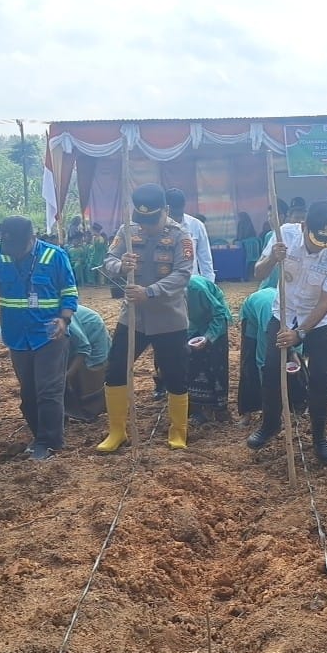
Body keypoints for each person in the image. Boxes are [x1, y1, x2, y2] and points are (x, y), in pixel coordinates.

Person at [0, 216, 77, 460]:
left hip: (49, 333)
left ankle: (49, 442)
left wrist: (64, 319)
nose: (13, 253)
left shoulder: (54, 255)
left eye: (18, 248)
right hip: (17, 335)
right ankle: (40, 434)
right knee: (28, 393)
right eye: (9, 248)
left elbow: (69, 292)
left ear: (32, 239)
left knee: (48, 390)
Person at [97, 183, 194, 452]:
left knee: (175, 375)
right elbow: (108, 260)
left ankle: (178, 432)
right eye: (143, 221)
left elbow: (183, 274)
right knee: (115, 370)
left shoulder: (181, 236)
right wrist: (121, 266)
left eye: (152, 220)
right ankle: (117, 431)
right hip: (133, 318)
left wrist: (149, 292)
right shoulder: (127, 231)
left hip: (169, 319)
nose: (147, 226)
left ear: (165, 210)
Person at [248, 200, 327, 463]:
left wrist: (300, 333)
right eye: (315, 240)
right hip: (283, 312)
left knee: (321, 377)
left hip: (319, 321)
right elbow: (257, 272)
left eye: (325, 242)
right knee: (271, 369)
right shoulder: (284, 235)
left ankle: (319, 436)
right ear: (303, 226)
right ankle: (270, 424)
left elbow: (326, 301)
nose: (319, 247)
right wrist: (273, 257)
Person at [236, 287, 306, 424]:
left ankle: (296, 405)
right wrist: (272, 405)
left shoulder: (302, 317)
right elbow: (262, 362)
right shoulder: (269, 324)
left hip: (282, 317)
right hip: (254, 314)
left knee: (294, 366)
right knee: (250, 362)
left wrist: (294, 354)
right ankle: (250, 411)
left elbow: (297, 345)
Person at [185, 275, 233, 424]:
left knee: (216, 364)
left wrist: (208, 337)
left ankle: (218, 408)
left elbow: (219, 313)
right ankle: (197, 407)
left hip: (215, 322)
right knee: (193, 363)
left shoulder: (196, 288)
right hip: (193, 325)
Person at [65, 305, 110, 422]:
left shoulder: (63, 317)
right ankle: (70, 410)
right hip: (73, 340)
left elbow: (84, 347)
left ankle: (90, 412)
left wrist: (68, 375)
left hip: (92, 331)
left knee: (91, 372)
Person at [165, 188, 215, 282]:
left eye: (178, 214)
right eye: (172, 215)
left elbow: (205, 259)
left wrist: (209, 284)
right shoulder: (157, 227)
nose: (176, 219)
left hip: (191, 282)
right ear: (166, 209)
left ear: (184, 206)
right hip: (165, 283)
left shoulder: (196, 225)